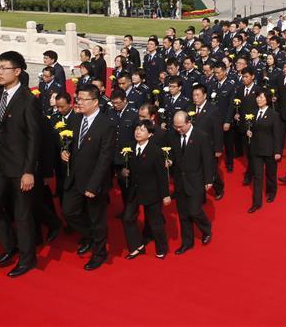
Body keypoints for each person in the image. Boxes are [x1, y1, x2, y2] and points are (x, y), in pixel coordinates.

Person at [0, 50, 42, 278]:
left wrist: (29, 171)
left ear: (17, 72)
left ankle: (28, 259)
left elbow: (34, 138)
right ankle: (10, 247)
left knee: (22, 214)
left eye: (3, 68)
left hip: (20, 168)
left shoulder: (28, 100)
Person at [61, 84, 115, 271]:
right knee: (69, 211)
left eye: (83, 100)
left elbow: (105, 159)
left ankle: (99, 253)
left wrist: (93, 186)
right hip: (74, 177)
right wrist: (64, 151)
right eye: (78, 99)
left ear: (95, 101)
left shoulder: (106, 125)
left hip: (94, 182)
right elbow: (69, 143)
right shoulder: (76, 119)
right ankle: (90, 236)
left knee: (97, 219)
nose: (79, 103)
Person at [121, 120, 171, 259]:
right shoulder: (130, 147)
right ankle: (137, 246)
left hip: (151, 191)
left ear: (150, 134)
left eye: (142, 130)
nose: (138, 132)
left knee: (155, 223)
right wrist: (124, 171)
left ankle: (161, 248)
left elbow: (162, 175)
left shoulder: (155, 151)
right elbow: (127, 167)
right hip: (134, 189)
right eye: (137, 128)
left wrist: (165, 195)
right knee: (127, 219)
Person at [167, 111, 213, 255]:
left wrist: (208, 179)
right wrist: (170, 161)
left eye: (180, 126)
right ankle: (187, 242)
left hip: (196, 181)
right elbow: (174, 155)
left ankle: (206, 228)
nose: (178, 129)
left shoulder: (201, 137)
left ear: (189, 122)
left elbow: (207, 160)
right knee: (183, 214)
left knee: (194, 211)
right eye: (176, 126)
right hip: (180, 182)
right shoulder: (173, 136)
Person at [245, 89, 283, 213]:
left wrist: (277, 151)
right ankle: (256, 203)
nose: (258, 99)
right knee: (257, 176)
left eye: (261, 97)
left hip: (270, 150)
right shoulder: (253, 113)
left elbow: (278, 135)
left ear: (267, 99)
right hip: (256, 150)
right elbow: (252, 128)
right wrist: (249, 132)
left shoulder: (274, 115)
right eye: (257, 97)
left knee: (271, 175)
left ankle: (271, 192)